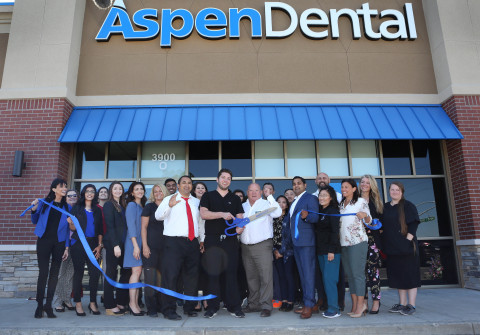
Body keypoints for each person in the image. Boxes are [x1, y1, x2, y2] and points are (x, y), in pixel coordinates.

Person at [200, 169, 245, 319]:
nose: (225, 180)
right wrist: (221, 214)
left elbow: (240, 219)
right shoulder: (208, 196)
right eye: (223, 177)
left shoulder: (235, 198)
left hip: (230, 241)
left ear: (230, 181)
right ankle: (212, 307)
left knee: (231, 273)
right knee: (213, 274)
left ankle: (233, 306)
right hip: (212, 240)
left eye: (228, 178)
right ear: (217, 179)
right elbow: (204, 214)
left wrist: (240, 227)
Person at [156, 176, 201, 320]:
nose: (187, 185)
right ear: (178, 185)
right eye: (184, 183)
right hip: (173, 242)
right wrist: (169, 205)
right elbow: (158, 216)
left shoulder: (196, 202)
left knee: (191, 277)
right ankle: (168, 310)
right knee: (171, 277)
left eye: (189, 183)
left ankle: (189, 307)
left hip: (193, 242)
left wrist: (202, 240)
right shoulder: (169, 199)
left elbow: (200, 223)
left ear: (191, 186)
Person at [30, 178, 70, 319]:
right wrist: (34, 208)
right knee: (43, 273)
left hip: (59, 243)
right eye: (61, 186)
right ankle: (39, 306)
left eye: (65, 186)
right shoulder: (44, 203)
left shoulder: (67, 207)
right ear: (54, 189)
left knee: (54, 275)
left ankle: (48, 306)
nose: (64, 188)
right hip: (44, 241)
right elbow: (34, 220)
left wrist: (66, 247)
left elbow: (67, 231)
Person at [240, 183, 282, 317]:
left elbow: (278, 212)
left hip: (262, 245)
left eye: (256, 190)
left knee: (265, 277)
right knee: (251, 277)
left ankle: (266, 306)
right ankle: (253, 304)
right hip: (245, 246)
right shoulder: (243, 206)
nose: (253, 193)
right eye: (251, 190)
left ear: (261, 192)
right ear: (247, 192)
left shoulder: (266, 204)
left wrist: (269, 197)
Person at [382, 182, 421, 316]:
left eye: (397, 190)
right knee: (399, 276)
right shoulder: (386, 207)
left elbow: (413, 224)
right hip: (393, 249)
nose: (394, 192)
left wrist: (407, 242)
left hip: (407, 247)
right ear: (389, 191)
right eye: (392, 189)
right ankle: (402, 304)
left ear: (402, 191)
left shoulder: (408, 206)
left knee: (410, 276)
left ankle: (411, 305)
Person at [283, 176, 319, 319]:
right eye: (294, 184)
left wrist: (306, 216)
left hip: (306, 243)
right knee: (303, 275)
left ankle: (309, 306)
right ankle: (310, 303)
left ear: (305, 185)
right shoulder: (295, 201)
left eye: (299, 183)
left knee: (308, 275)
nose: (296, 186)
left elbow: (315, 218)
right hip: (296, 243)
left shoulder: (310, 198)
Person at [68, 184, 103, 316]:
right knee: (79, 273)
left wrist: (99, 245)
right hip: (78, 243)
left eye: (92, 191)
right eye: (87, 191)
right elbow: (72, 229)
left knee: (94, 274)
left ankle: (92, 302)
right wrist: (71, 223)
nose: (90, 193)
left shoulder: (97, 210)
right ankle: (78, 303)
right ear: (83, 193)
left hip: (93, 244)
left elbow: (100, 229)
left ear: (95, 194)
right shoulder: (76, 208)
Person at [339, 179, 371, 318]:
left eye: (346, 187)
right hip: (344, 243)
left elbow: (369, 220)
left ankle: (361, 305)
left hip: (357, 242)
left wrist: (365, 216)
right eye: (342, 187)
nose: (343, 189)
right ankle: (354, 305)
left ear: (353, 189)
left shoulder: (361, 202)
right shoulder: (341, 204)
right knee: (350, 276)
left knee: (358, 275)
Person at [141, 183, 168, 317]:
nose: (158, 193)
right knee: (150, 279)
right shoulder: (149, 207)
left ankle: (162, 306)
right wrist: (145, 246)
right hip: (150, 248)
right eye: (155, 191)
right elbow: (143, 227)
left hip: (166, 248)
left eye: (160, 191)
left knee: (163, 279)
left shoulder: (169, 206)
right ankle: (151, 308)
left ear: (164, 192)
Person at [103, 181, 130, 316]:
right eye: (115, 188)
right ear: (111, 191)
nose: (118, 191)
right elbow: (110, 226)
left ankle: (120, 301)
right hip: (114, 244)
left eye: (120, 188)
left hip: (124, 244)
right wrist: (115, 245)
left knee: (127, 271)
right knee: (111, 273)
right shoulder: (109, 205)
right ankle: (109, 305)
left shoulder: (122, 206)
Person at [316, 186, 341, 318]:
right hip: (321, 252)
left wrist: (331, 250)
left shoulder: (333, 211)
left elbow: (335, 232)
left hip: (331, 252)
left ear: (331, 197)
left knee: (330, 280)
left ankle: (334, 309)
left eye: (325, 195)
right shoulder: (321, 211)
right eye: (320, 195)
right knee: (326, 280)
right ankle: (329, 305)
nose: (322, 197)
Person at [359, 175, 383, 314]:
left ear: (372, 185)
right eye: (362, 182)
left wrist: (377, 226)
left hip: (372, 240)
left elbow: (382, 221)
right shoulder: (354, 200)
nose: (364, 184)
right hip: (357, 239)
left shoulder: (377, 201)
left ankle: (376, 301)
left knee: (373, 272)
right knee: (360, 273)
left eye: (368, 182)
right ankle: (364, 302)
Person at [124, 182, 147, 316]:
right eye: (136, 189)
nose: (139, 191)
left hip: (141, 241)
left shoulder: (141, 206)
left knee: (138, 273)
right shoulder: (132, 205)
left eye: (141, 189)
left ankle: (136, 303)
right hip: (133, 242)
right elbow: (131, 226)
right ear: (132, 193)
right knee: (136, 272)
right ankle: (132, 304)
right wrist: (136, 246)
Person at [53, 189, 77, 312]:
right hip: (62, 245)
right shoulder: (62, 210)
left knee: (70, 274)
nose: (72, 197)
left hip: (76, 246)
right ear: (65, 197)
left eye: (74, 195)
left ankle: (66, 299)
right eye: (69, 196)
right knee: (61, 274)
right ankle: (58, 301)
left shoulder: (78, 210)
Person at [273, 195, 295, 312]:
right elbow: (271, 236)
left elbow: (290, 237)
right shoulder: (273, 218)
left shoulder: (289, 218)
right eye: (279, 202)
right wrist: (275, 251)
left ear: (287, 205)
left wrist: (282, 251)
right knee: (281, 277)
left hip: (287, 252)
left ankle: (291, 301)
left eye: (284, 202)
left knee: (288, 276)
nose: (281, 204)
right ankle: (284, 300)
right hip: (276, 251)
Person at [192, 182, 208, 312]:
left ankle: (206, 300)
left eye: (203, 188)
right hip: (194, 240)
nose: (201, 190)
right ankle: (196, 301)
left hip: (206, 240)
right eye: (198, 188)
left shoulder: (209, 202)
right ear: (194, 190)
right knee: (194, 273)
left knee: (206, 272)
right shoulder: (191, 203)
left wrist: (203, 241)